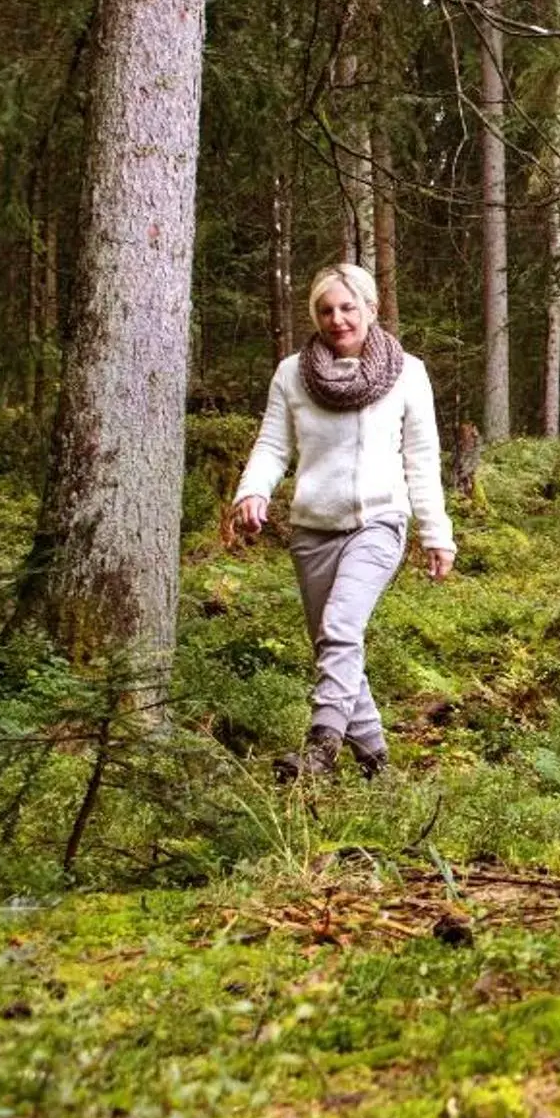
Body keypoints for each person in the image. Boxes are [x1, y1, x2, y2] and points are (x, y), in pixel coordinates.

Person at [233, 263, 454, 781]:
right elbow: (272, 445)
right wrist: (253, 490)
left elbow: (422, 460)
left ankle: (320, 750)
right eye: (326, 310)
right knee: (335, 646)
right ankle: (377, 762)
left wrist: (436, 533)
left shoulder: (408, 373)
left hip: (378, 523)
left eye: (348, 307)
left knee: (339, 629)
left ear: (371, 309)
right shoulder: (292, 374)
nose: (337, 319)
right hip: (312, 530)